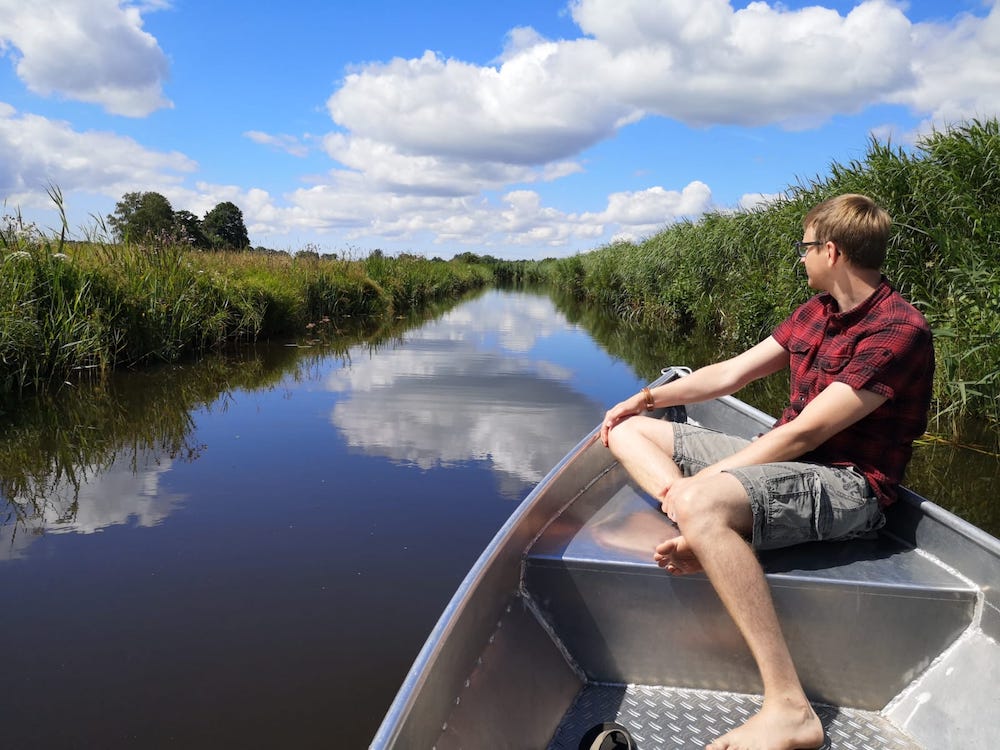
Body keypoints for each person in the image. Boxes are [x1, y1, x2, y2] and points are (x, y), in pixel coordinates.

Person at [599, 194, 934, 750]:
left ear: (831, 250)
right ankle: (700, 526)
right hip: (784, 463)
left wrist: (699, 490)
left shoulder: (898, 330)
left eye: (804, 248)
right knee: (628, 432)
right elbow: (729, 374)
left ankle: (789, 709)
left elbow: (804, 435)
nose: (800, 259)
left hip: (848, 483)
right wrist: (646, 398)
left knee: (704, 501)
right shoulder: (817, 311)